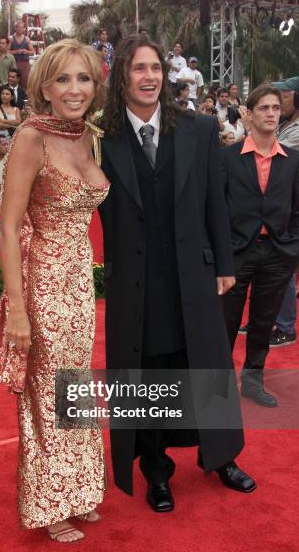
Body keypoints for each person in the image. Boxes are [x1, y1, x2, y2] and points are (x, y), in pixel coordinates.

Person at [99, 34, 255, 512]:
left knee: (206, 367)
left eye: (154, 68)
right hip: (137, 283)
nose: (148, 76)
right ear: (121, 77)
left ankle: (222, 456)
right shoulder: (103, 139)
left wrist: (225, 264)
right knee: (149, 376)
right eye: (137, 68)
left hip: (195, 274)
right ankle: (157, 471)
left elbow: (215, 201)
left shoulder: (199, 129)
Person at [0, 39, 107, 542]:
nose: (74, 89)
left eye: (83, 79)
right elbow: (9, 228)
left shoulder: (91, 136)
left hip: (80, 280)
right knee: (45, 391)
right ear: (44, 87)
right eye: (63, 80)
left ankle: (79, 489)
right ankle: (50, 501)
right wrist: (17, 308)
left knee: (75, 387)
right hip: (41, 282)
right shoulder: (31, 138)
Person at [221, 84, 299, 408]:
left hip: (276, 253)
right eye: (264, 108)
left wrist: (292, 247)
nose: (271, 113)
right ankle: (220, 388)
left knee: (262, 323)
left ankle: (252, 382)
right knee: (226, 324)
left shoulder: (293, 159)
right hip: (236, 253)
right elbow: (214, 207)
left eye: (275, 108)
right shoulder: (227, 158)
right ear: (250, 114)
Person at [268, 74, 299, 347]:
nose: (278, 102)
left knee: (284, 263)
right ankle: (269, 318)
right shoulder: (286, 123)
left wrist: (251, 130)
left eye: (283, 97)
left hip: (295, 202)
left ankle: (285, 326)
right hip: (282, 200)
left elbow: (274, 153)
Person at [8, 21, 33, 90]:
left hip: (25, 64)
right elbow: (6, 51)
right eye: (18, 27)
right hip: (14, 63)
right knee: (14, 83)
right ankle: (14, 99)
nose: (20, 29)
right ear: (15, 28)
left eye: (21, 27)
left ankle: (25, 99)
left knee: (26, 83)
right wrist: (16, 51)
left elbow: (32, 52)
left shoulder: (27, 39)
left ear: (23, 29)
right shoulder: (11, 38)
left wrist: (26, 51)